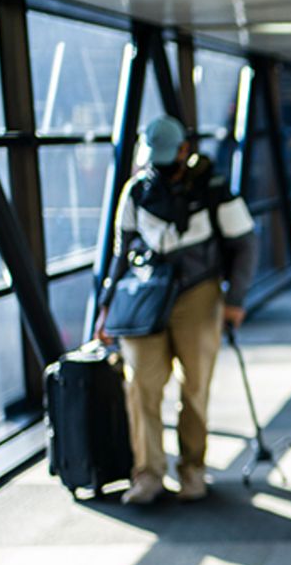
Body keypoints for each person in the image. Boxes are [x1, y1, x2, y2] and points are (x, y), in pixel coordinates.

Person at [95, 115, 257, 504]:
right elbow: (121, 254)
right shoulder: (136, 193)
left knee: (195, 386)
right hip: (146, 299)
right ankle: (148, 474)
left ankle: (192, 470)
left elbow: (246, 245)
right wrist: (106, 308)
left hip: (198, 295)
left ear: (185, 150)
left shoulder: (215, 189)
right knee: (140, 386)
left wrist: (234, 300)